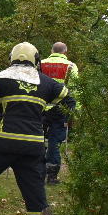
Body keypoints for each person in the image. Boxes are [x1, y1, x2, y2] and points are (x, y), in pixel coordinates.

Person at [0, 42, 70, 215]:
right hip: (33, 145)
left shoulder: (3, 77)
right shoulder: (47, 82)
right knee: (34, 188)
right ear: (36, 60)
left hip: (4, 141)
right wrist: (45, 118)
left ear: (12, 58)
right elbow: (70, 101)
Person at [40, 42, 78, 184]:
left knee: (39, 139)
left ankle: (38, 171)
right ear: (65, 52)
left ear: (51, 51)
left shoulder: (41, 64)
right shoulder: (71, 66)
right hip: (60, 109)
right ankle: (51, 176)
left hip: (42, 108)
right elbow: (74, 90)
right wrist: (74, 112)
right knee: (54, 142)